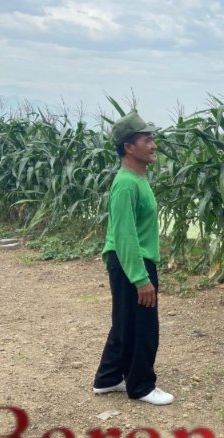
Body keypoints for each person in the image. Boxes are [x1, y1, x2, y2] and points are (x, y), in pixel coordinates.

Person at [92, 111, 174, 406]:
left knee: (125, 322)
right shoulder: (126, 183)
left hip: (131, 260)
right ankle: (141, 386)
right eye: (146, 139)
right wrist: (141, 278)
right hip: (132, 261)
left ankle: (108, 378)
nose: (154, 144)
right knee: (143, 327)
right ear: (129, 147)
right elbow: (124, 235)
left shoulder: (136, 179)